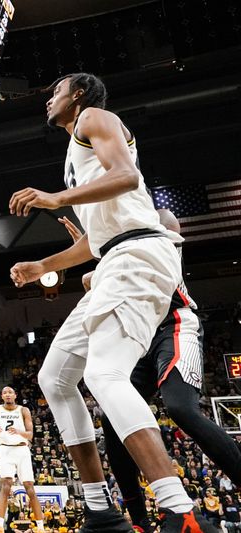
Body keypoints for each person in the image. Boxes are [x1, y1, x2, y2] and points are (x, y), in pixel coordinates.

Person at [8, 72, 216, 532]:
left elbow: (127, 176)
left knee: (104, 373)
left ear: (78, 94)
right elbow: (98, 241)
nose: (49, 99)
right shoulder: (76, 149)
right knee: (55, 378)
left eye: (56, 91)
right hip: (115, 257)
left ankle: (179, 510)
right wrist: (43, 264)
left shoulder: (95, 117)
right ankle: (100, 508)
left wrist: (56, 198)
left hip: (139, 254)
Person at [58, 212, 241, 532]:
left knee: (181, 408)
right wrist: (95, 250)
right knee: (113, 416)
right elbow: (96, 280)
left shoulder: (163, 242)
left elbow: (93, 280)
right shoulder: (129, 249)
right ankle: (139, 520)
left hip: (175, 328)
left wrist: (92, 252)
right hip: (140, 341)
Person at [0, 387, 43, 533]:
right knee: (5, 486)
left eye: (10, 392)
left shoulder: (23, 410)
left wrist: (19, 432)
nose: (7, 394)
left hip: (22, 450)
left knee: (30, 488)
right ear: (2, 396)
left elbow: (31, 435)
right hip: (5, 449)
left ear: (15, 395)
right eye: (5, 392)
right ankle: (0, 525)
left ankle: (40, 527)